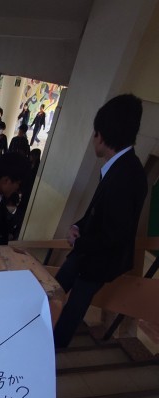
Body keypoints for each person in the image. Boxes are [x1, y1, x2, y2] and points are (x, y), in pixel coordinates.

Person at [53, 93, 148, 348]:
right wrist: (77, 226)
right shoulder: (121, 166)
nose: (92, 139)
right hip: (87, 252)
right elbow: (98, 212)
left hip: (98, 261)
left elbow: (114, 235)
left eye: (94, 133)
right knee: (55, 290)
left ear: (102, 136)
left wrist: (78, 242)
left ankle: (53, 348)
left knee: (73, 311)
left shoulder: (126, 176)